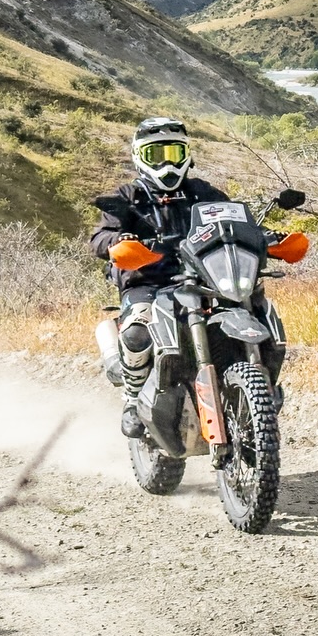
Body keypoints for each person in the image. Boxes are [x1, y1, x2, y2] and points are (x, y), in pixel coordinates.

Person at [90, 117, 229, 438]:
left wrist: (266, 236)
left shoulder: (202, 192)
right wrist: (119, 243)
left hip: (203, 278)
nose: (167, 163)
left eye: (174, 154)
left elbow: (234, 217)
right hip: (147, 284)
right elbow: (99, 237)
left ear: (187, 155)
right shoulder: (127, 198)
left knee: (251, 308)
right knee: (138, 333)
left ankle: (256, 383)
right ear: (140, 157)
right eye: (156, 155)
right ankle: (132, 399)